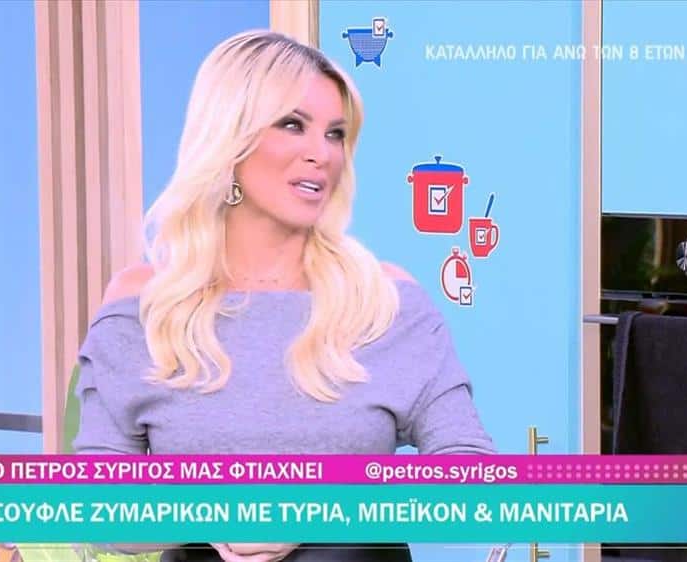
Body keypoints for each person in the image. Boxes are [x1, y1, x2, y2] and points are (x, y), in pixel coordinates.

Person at [73, 29, 495, 562]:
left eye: (335, 134)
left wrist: (315, 511)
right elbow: (98, 511)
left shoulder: (385, 300)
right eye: (293, 125)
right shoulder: (144, 307)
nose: (322, 154)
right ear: (230, 137)